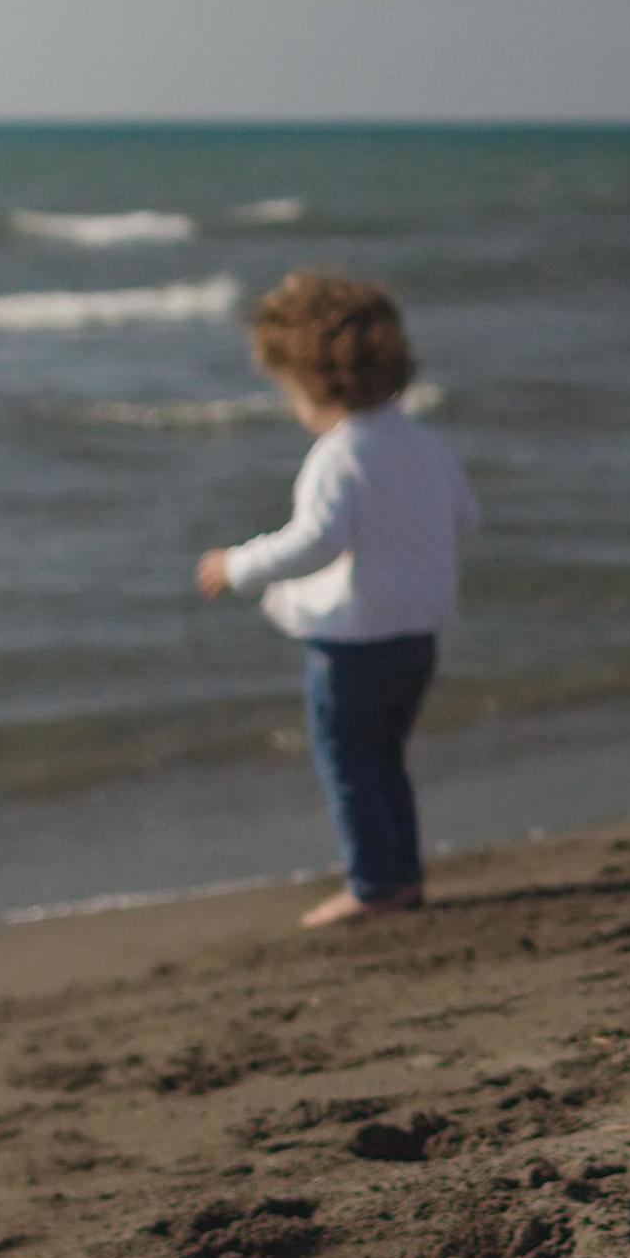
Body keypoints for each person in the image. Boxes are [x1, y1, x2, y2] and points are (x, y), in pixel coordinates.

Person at [195, 271, 480, 927]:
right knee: (387, 759)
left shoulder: (339, 454)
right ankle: (400, 872)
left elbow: (315, 543)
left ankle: (375, 882)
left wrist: (237, 566)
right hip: (417, 635)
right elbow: (467, 520)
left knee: (349, 763)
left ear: (312, 380)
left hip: (352, 643)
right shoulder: (424, 443)